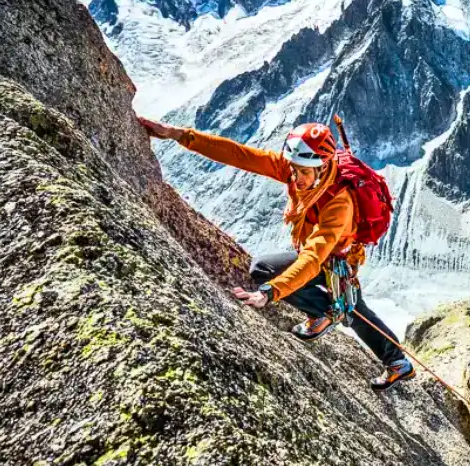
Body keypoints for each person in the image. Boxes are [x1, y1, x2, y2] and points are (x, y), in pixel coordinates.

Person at [138, 117, 415, 391]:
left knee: (285, 280)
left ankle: (355, 333)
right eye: (294, 169)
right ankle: (391, 358)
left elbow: (312, 258)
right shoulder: (300, 170)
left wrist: (270, 293)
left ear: (323, 166)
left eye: (304, 172)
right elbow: (242, 155)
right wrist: (179, 134)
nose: (296, 178)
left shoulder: (338, 203)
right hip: (323, 255)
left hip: (333, 258)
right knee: (352, 308)